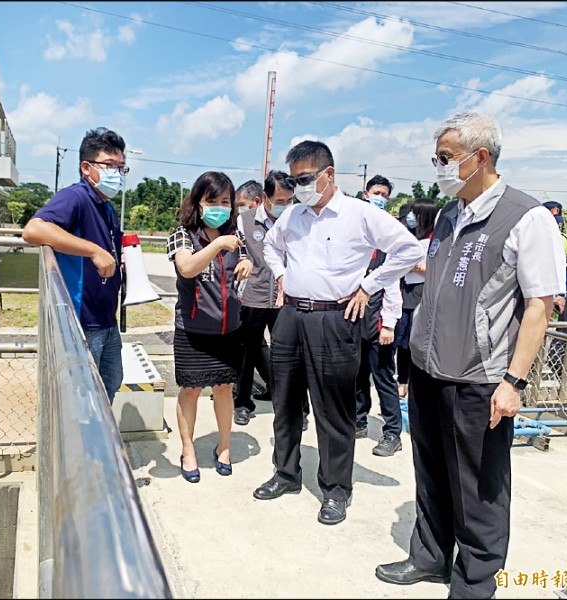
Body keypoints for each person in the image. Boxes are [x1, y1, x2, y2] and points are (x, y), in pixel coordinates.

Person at [376, 111, 566, 598]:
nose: (439, 166)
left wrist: (514, 382)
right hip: (428, 369)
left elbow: (539, 306)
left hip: (481, 378)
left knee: (479, 489)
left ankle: (477, 581)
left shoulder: (528, 218)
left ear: (480, 157)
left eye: (446, 158)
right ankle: (430, 557)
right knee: (431, 473)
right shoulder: (448, 215)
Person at [253, 140, 423, 526]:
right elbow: (269, 248)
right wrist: (281, 276)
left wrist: (369, 285)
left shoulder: (359, 215)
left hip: (334, 320)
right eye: (294, 180)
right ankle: (285, 473)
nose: (299, 187)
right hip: (291, 316)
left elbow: (408, 250)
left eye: (305, 178)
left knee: (333, 410)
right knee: (285, 403)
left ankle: (335, 489)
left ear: (329, 175)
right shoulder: (292, 216)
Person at [23, 127, 128, 404]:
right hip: (83, 320)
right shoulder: (77, 197)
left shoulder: (106, 207)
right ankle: (84, 445)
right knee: (81, 394)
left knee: (110, 384)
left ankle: (99, 445)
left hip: (106, 318)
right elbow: (34, 230)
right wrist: (93, 250)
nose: (116, 174)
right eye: (109, 165)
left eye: (121, 167)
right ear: (86, 167)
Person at [166, 171, 253, 483]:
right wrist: (217, 247)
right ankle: (188, 450)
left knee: (224, 389)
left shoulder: (235, 237)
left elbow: (245, 261)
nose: (219, 207)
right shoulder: (183, 235)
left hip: (229, 330)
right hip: (192, 330)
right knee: (189, 390)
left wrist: (247, 263)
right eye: (212, 201)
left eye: (225, 201)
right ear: (198, 203)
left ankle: (225, 447)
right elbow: (187, 267)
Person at [234, 171, 306, 428]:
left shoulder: (297, 219)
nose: (285, 205)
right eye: (280, 200)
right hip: (253, 296)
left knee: (289, 354)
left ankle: (297, 407)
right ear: (264, 197)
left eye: (289, 200)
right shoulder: (245, 220)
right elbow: (236, 251)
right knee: (247, 352)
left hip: (286, 298)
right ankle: (242, 404)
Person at [354, 175, 405, 457]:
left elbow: (392, 285)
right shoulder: (358, 230)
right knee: (358, 375)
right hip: (355, 319)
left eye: (384, 194)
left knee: (383, 377)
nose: (380, 197)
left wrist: (388, 324)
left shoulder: (388, 235)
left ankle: (392, 433)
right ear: (365, 194)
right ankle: (359, 421)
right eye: (376, 192)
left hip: (379, 323)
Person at [393, 198, 440, 400]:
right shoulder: (410, 237)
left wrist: (419, 268)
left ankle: (415, 383)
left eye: (415, 213)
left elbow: (441, 272)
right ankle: (402, 380)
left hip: (424, 294)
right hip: (407, 293)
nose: (410, 217)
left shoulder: (437, 241)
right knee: (403, 343)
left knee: (419, 343)